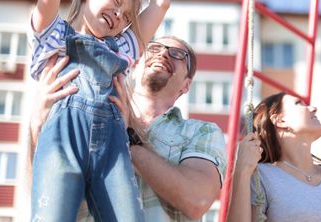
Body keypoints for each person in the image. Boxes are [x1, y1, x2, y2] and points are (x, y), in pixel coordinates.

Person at [29, 0, 170, 221]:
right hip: (62, 139)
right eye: (117, 2)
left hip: (111, 148)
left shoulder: (119, 46)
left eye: (126, 17)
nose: (119, 16)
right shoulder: (52, 34)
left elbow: (161, 3)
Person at [30, 36, 227, 222]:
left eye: (177, 54)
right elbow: (46, 187)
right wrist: (40, 123)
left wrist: (126, 138)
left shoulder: (201, 132)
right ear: (134, 65)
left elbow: (196, 199)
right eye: (154, 48)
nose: (163, 54)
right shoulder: (91, 115)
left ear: (186, 85)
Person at [226, 92, 321, 222]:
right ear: (280, 120)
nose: (313, 108)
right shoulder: (260, 176)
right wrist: (241, 171)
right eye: (299, 104)